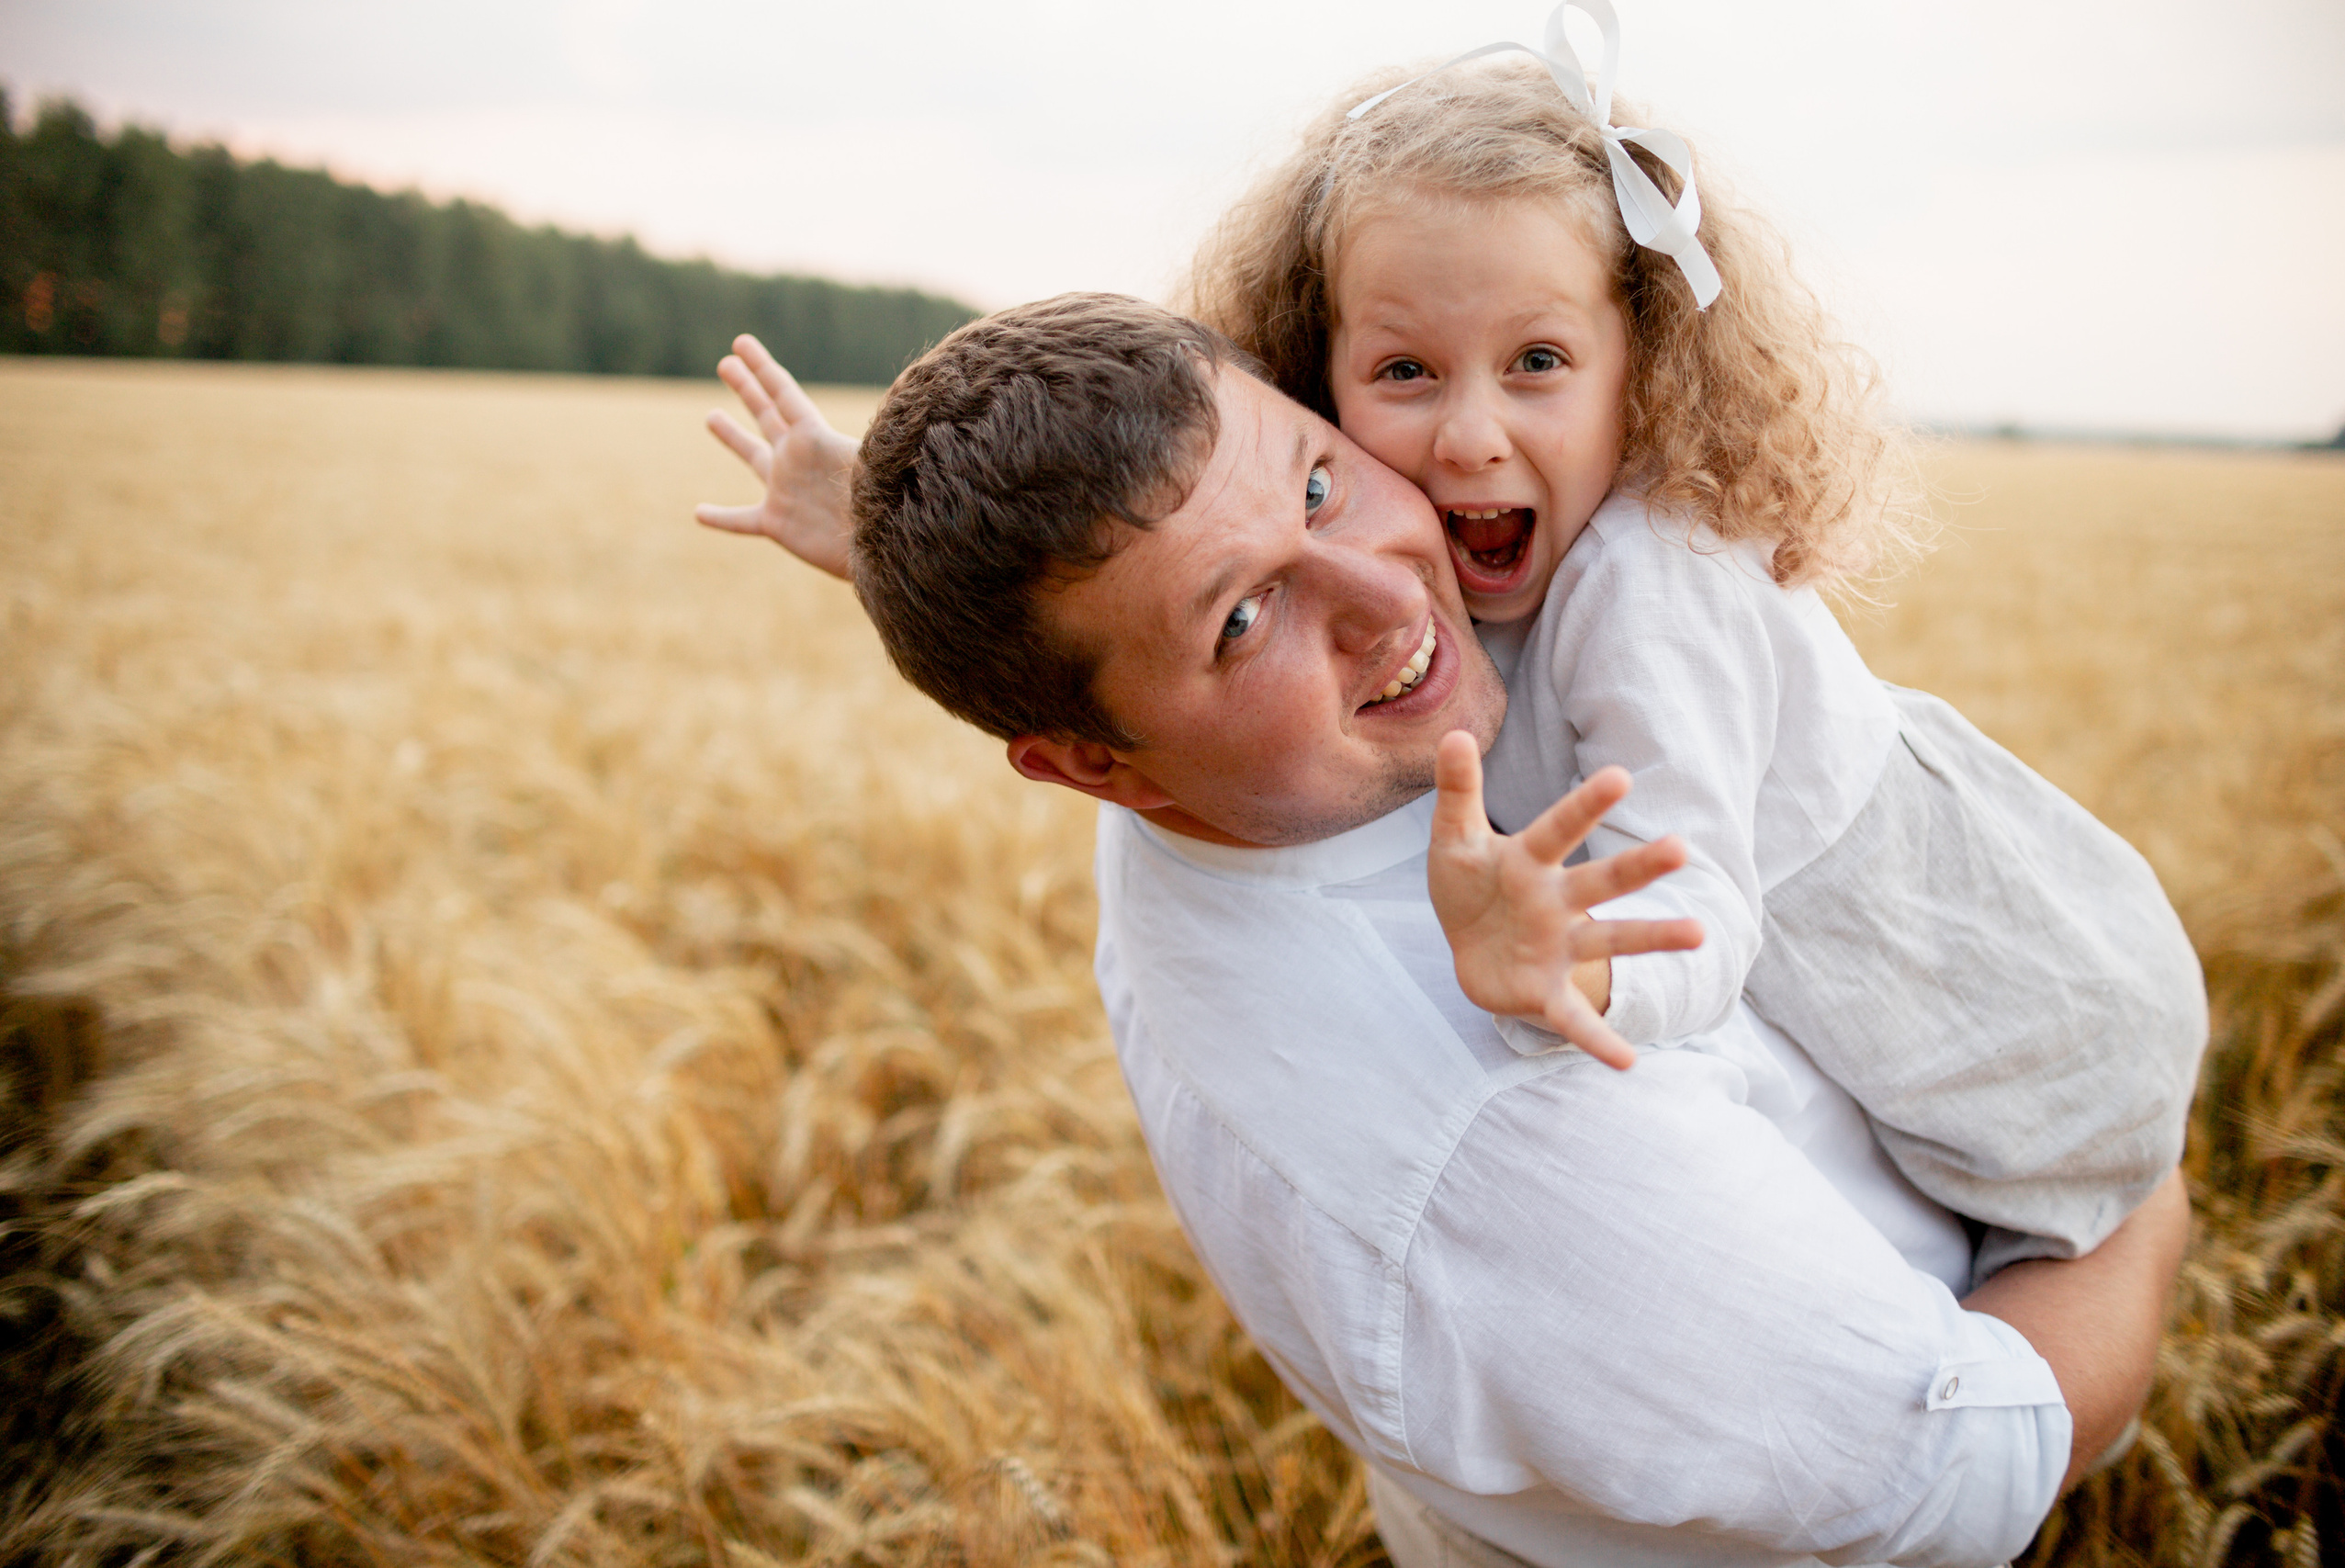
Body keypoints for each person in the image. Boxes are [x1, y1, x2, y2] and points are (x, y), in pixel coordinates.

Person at [692, 294, 2187, 1565]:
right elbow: (1963, 1466)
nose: (1387, 595)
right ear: (1092, 761)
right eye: (1243, 620)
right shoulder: (1504, 1122)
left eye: (1322, 485)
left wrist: (877, 532)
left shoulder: (1217, 777)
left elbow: (1130, 557)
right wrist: (2138, 1180)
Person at [1172, 4, 2206, 1286]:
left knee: (2044, 1279)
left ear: (1640, 363)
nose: (1472, 434)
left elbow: (1695, 898)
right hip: (1888, 1013)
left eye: (1538, 360)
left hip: (2022, 1024)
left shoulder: (1648, 589)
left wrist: (1571, 967)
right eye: (1407, 371)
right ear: (1315, 377)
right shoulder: (1459, 560)